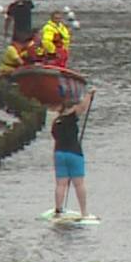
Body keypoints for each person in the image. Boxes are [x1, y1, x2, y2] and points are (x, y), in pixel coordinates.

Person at [52, 89, 95, 219]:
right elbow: (83, 107)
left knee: (60, 184)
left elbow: (55, 138)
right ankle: (84, 212)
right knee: (79, 184)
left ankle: (58, 210)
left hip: (59, 154)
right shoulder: (72, 117)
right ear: (71, 108)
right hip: (74, 154)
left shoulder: (56, 122)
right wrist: (89, 94)